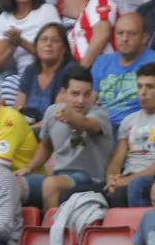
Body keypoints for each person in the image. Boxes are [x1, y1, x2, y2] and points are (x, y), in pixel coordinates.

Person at [19, 66, 114, 212]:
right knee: (13, 183)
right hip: (59, 176)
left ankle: (50, 233)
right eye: (75, 94)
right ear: (63, 92)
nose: (81, 100)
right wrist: (30, 167)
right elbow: (46, 145)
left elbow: (87, 124)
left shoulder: (99, 114)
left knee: (51, 184)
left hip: (91, 179)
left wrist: (70, 118)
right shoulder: (52, 112)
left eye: (87, 94)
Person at [105, 63, 155, 208]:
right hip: (128, 176)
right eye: (140, 86)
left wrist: (130, 180)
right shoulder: (128, 120)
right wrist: (112, 179)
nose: (143, 92)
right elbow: (117, 160)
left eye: (149, 87)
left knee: (133, 187)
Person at [93, 12, 155, 128]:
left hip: (137, 128)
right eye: (120, 33)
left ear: (144, 37)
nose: (124, 38)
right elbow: (88, 98)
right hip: (100, 128)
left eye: (132, 34)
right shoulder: (102, 61)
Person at [0, 0, 61, 104]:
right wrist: (12, 47)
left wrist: (21, 42)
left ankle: (15, 121)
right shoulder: (3, 19)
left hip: (46, 71)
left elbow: (56, 53)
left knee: (10, 84)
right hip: (21, 74)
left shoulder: (47, 11)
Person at [14, 23, 75, 122]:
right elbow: (17, 110)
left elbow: (56, 118)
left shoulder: (70, 72)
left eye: (55, 40)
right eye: (43, 39)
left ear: (64, 48)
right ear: (36, 46)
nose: (48, 44)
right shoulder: (30, 70)